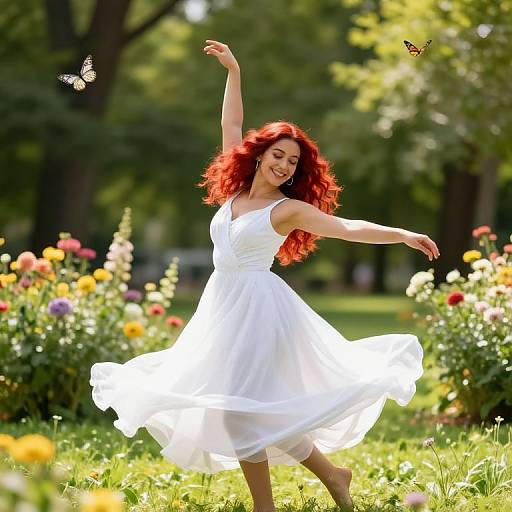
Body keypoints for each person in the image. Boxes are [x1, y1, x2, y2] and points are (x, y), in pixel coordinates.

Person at [90, 40, 440, 512]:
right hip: (222, 304)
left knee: (240, 411)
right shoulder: (234, 191)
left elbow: (346, 228)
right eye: (278, 154)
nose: (284, 164)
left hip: (259, 307)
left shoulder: (288, 209)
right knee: (249, 409)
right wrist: (234, 71)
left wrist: (401, 233)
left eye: (293, 161)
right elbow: (230, 123)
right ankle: (334, 476)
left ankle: (265, 507)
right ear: (260, 155)